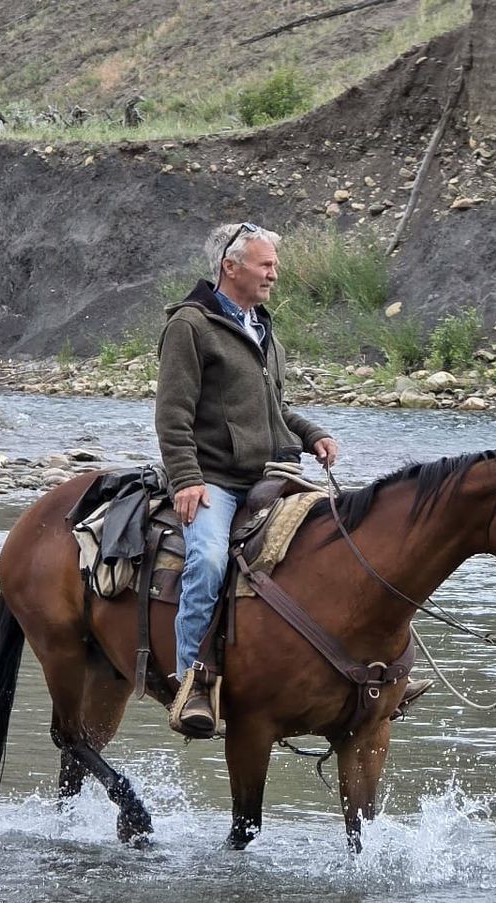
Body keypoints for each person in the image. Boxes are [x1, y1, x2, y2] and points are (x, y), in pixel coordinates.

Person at [155, 222, 340, 737]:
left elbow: (273, 409)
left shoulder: (260, 324)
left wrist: (312, 435)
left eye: (273, 265)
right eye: (265, 265)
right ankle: (191, 681)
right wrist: (186, 479)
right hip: (214, 479)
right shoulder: (190, 327)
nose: (274, 274)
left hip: (275, 475)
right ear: (229, 267)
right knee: (209, 558)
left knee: (345, 541)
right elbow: (172, 415)